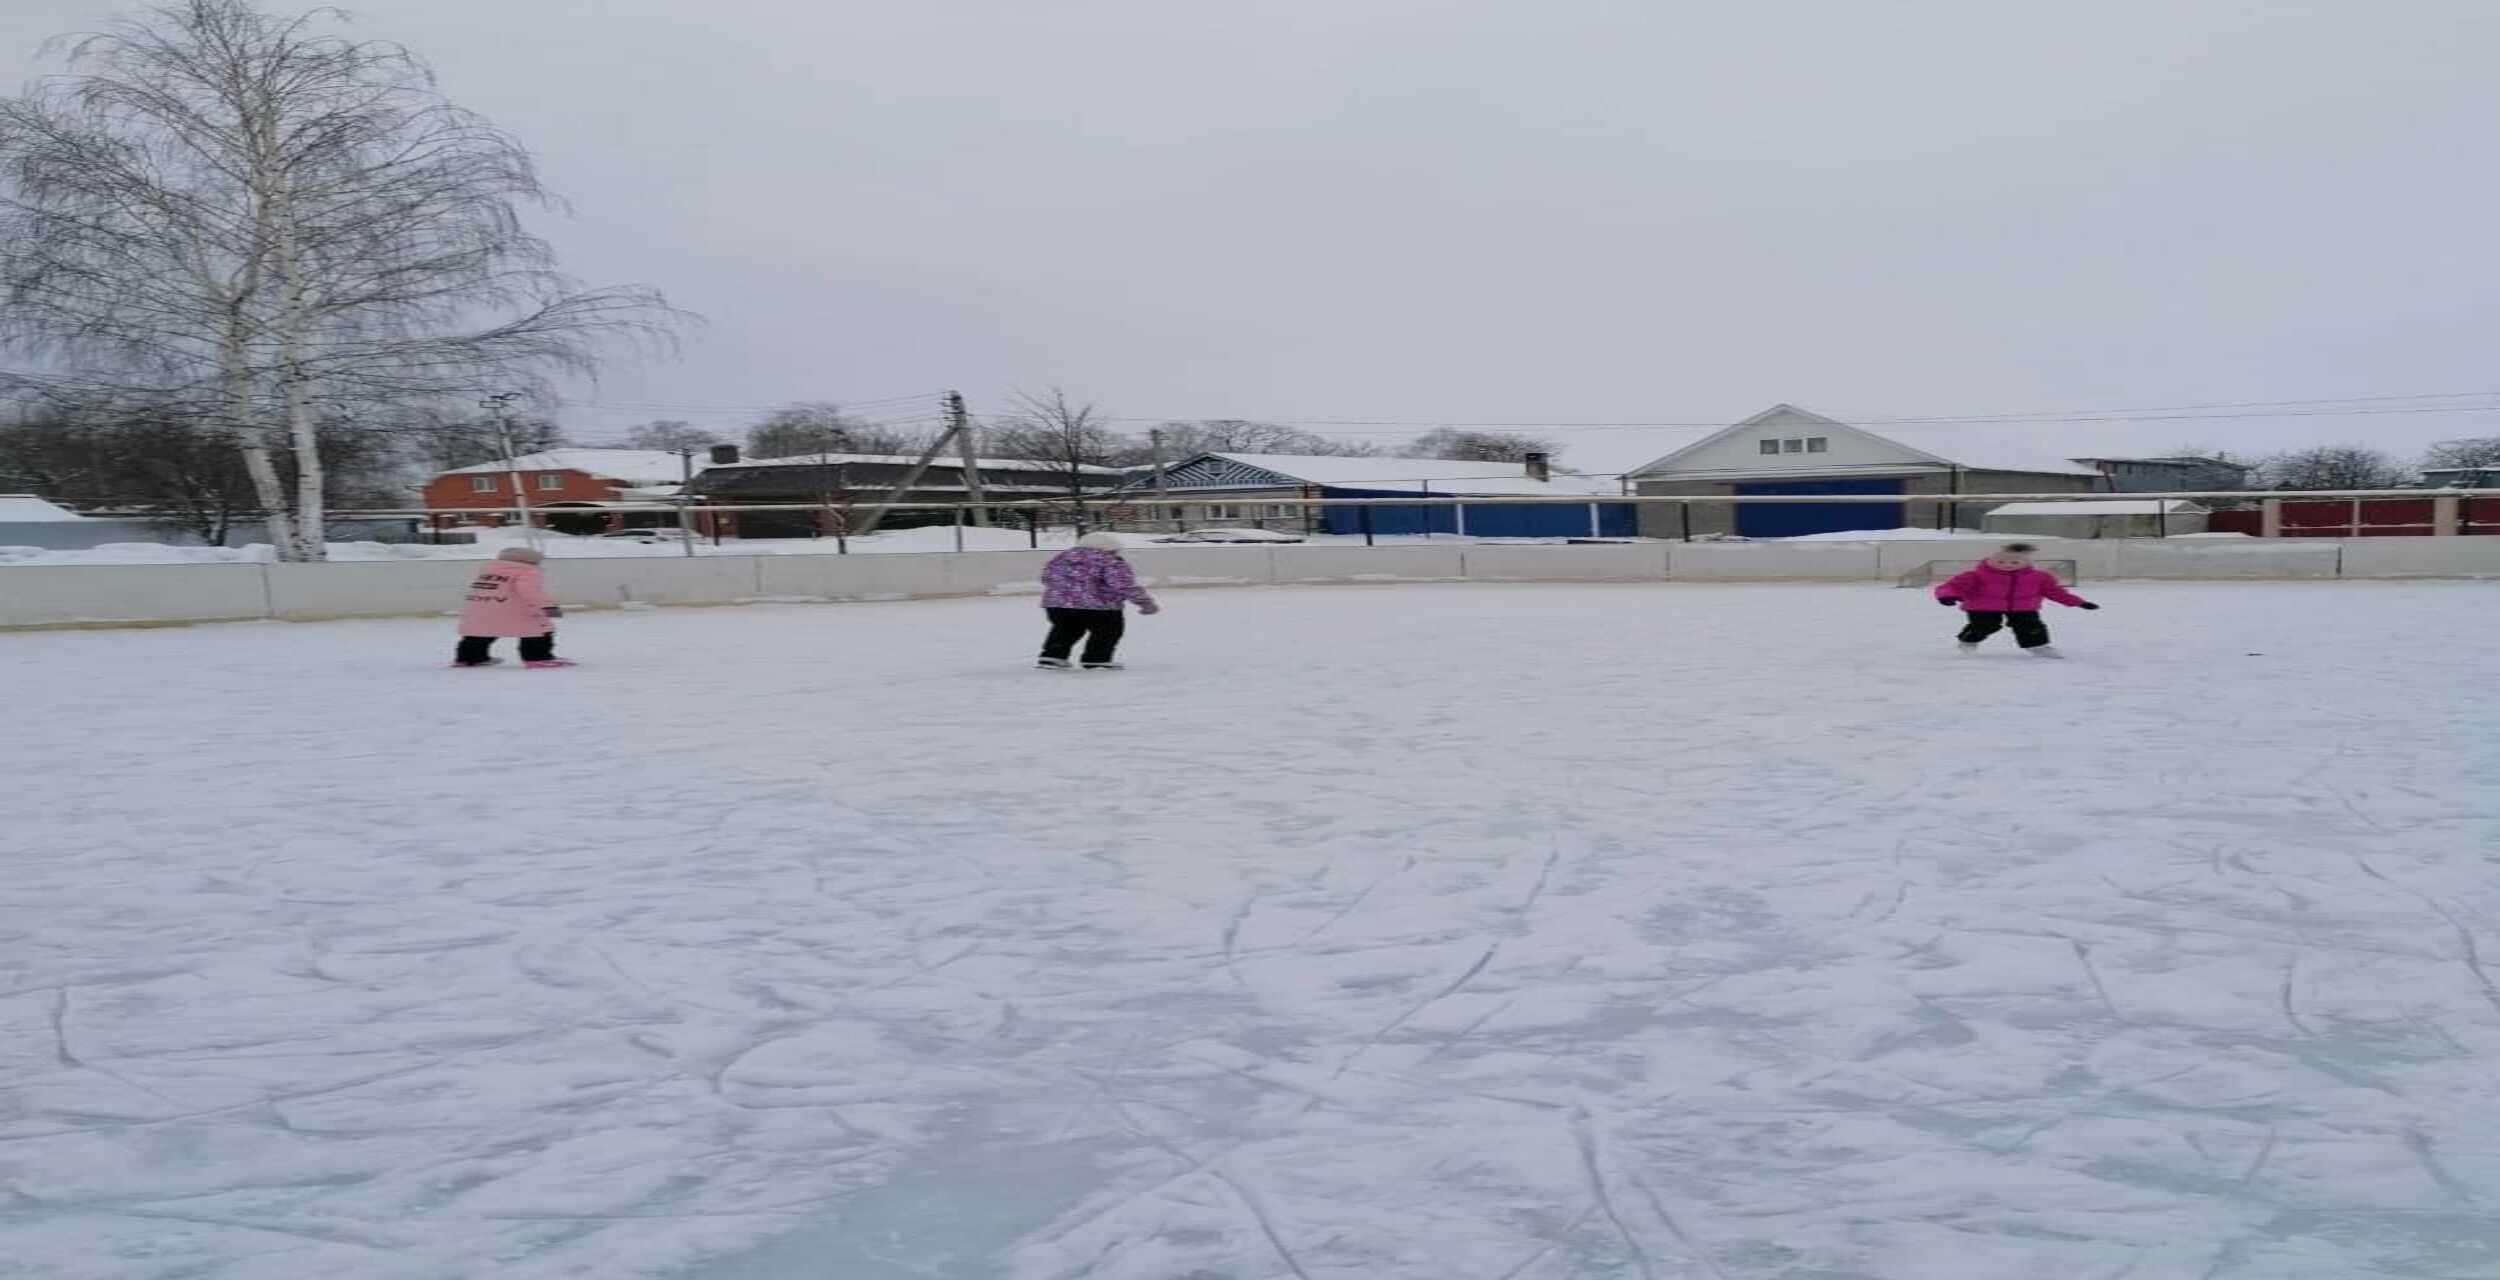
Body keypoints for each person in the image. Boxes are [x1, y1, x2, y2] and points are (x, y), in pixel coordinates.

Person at [1934, 542, 2099, 658]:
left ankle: (2038, 646)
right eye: (2001, 561)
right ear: (1990, 560)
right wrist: (1947, 596)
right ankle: (1968, 641)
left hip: (2024, 607)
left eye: (2014, 562)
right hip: (1982, 606)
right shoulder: (1976, 575)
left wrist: (2078, 602)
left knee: (2030, 626)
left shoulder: (2039, 577)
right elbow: (1952, 586)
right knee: (1985, 625)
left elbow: (2055, 592)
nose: (2007, 565)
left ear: (2025, 562)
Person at [1036, 532, 1158, 670]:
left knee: (1066, 629)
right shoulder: (1110, 561)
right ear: (1109, 548)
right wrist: (1144, 602)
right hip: (1099, 607)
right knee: (1107, 631)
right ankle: (1096, 659)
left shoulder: (1060, 559)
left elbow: (1046, 579)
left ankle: (1052, 656)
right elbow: (1123, 584)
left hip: (1057, 606)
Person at [454, 546, 573, 668]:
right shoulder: (528, 570)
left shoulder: (489, 569)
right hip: (513, 609)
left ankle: (469, 658)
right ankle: (538, 658)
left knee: (480, 631)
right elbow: (530, 590)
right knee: (537, 631)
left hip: (479, 607)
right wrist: (548, 606)